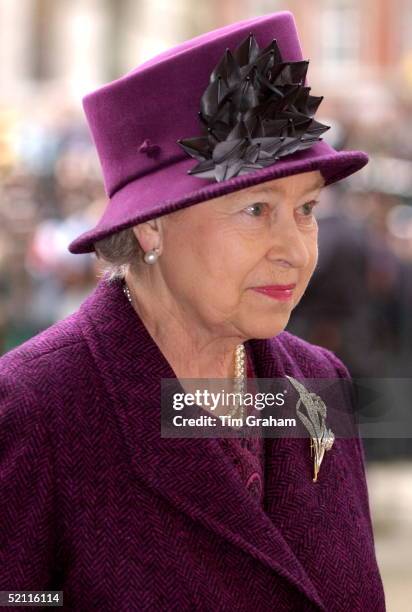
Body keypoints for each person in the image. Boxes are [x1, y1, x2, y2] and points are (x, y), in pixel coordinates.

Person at [0, 11, 386, 612]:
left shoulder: (318, 384)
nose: (294, 249)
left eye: (306, 208)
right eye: (257, 209)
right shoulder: (39, 406)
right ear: (152, 226)